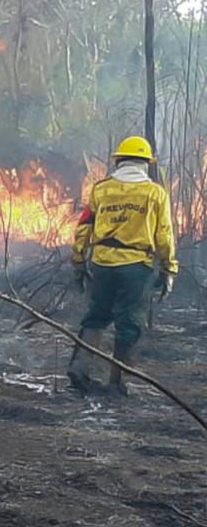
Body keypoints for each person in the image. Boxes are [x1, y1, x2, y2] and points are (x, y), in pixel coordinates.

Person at [68, 136, 178, 396]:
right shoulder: (155, 193)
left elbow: (84, 226)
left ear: (118, 161)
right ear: (146, 164)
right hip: (136, 267)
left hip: (102, 262)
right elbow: (164, 234)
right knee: (129, 324)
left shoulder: (101, 189)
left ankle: (79, 367)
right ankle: (117, 383)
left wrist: (78, 262)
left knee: (96, 316)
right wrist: (169, 269)